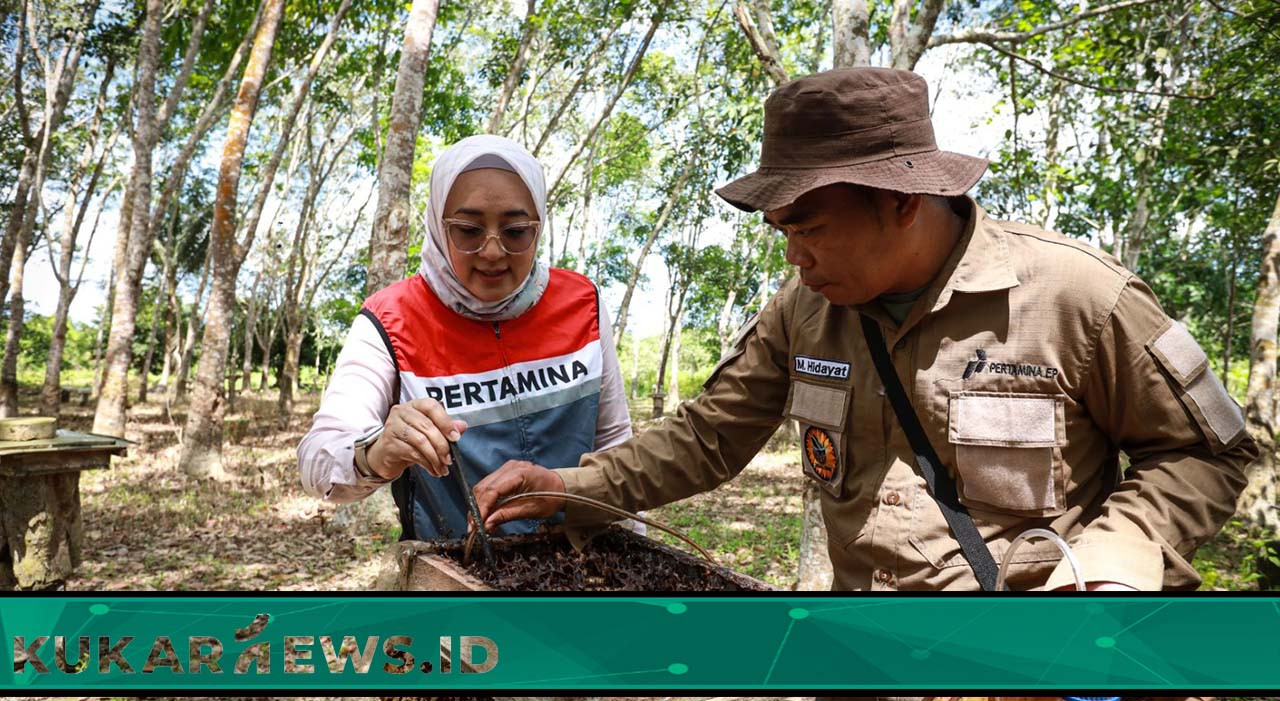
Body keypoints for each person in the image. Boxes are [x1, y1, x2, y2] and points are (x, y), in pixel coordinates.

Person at [473, 67, 1256, 591]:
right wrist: (569, 486)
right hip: (860, 675)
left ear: (903, 201)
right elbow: (708, 437)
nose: (794, 255)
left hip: (1022, 679)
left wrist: (1112, 564)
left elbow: (1208, 452)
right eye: (781, 231)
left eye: (809, 227)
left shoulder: (1078, 296)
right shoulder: (803, 310)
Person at [298, 135, 631, 540]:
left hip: (583, 558)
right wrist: (377, 453)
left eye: (516, 231)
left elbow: (614, 441)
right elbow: (317, 462)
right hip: (453, 563)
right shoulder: (390, 319)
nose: (492, 252)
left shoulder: (582, 302)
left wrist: (632, 548)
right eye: (468, 231)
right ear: (439, 227)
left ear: (539, 226)